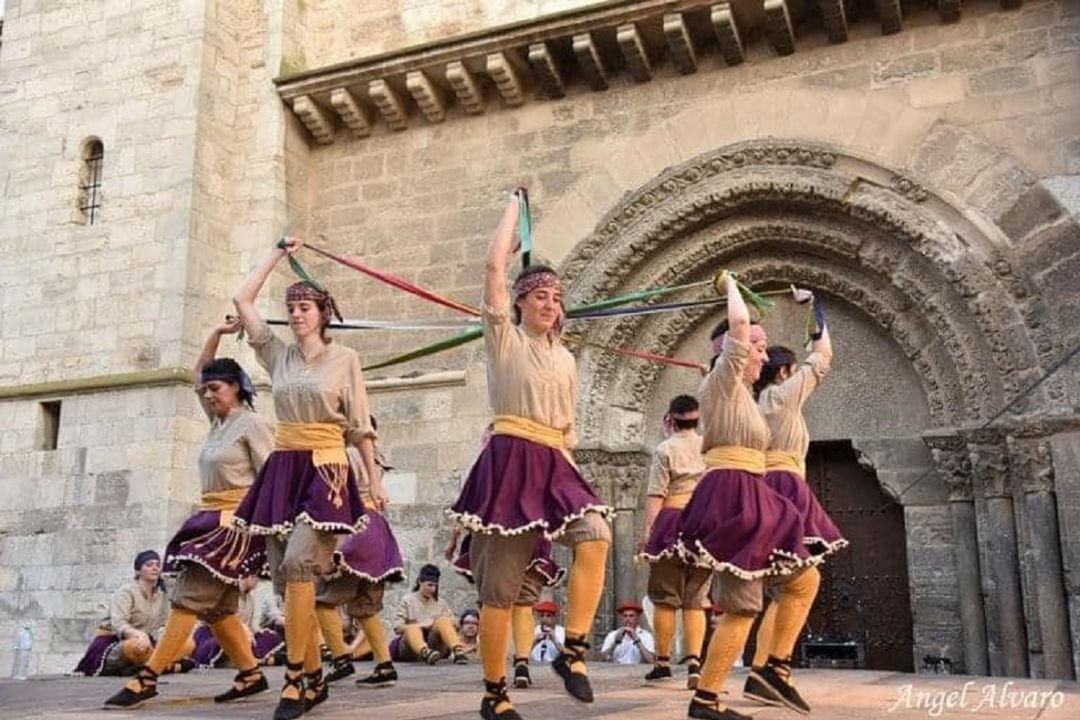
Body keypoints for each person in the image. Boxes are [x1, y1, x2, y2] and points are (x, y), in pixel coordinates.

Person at [448, 191, 613, 720]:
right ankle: (494, 693)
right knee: (499, 589)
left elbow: (566, 426)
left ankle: (575, 652)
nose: (550, 304)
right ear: (519, 303)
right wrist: (511, 213)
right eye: (540, 295)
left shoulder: (566, 357)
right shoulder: (504, 339)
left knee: (597, 533)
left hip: (554, 459)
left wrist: (572, 471)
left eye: (557, 298)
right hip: (510, 458)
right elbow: (493, 267)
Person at [232, 238, 387, 720]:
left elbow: (359, 423)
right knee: (287, 580)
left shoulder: (345, 359)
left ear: (322, 313)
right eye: (291, 307)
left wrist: (374, 478)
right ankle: (315, 675)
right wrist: (277, 254)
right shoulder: (277, 356)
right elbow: (243, 301)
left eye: (304, 307)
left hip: (327, 467)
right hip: (284, 466)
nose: (296, 314)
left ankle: (298, 676)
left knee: (300, 563)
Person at [104, 322, 276, 708]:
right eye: (207, 390)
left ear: (236, 387)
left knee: (187, 597)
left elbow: (271, 479)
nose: (208, 393)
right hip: (209, 516)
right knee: (217, 609)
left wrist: (266, 532)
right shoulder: (219, 422)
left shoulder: (253, 424)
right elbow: (201, 371)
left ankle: (148, 678)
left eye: (216, 388)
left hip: (233, 523)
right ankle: (250, 674)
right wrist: (215, 331)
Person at [676, 273, 812, 720]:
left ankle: (772, 669)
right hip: (732, 493)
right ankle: (707, 698)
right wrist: (731, 283)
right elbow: (736, 326)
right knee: (742, 603)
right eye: (757, 347)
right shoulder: (722, 383)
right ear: (731, 353)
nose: (763, 354)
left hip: (752, 493)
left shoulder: (747, 399)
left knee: (802, 580)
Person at [743, 295, 845, 713]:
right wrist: (816, 307)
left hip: (757, 486)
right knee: (805, 582)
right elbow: (822, 355)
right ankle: (772, 669)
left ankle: (765, 671)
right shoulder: (783, 396)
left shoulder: (748, 402)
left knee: (788, 587)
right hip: (784, 485)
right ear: (783, 372)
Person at [314, 436, 404, 687]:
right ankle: (385, 665)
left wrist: (337, 546)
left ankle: (341, 659)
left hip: (357, 526)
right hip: (377, 530)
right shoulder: (375, 458)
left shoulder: (348, 454)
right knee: (365, 605)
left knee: (323, 601)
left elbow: (339, 495)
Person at [637, 394, 710, 688]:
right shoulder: (708, 446)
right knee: (696, 599)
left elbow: (657, 494)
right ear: (697, 419)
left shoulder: (665, 448)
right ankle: (694, 664)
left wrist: (648, 535)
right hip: (703, 524)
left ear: (670, 419)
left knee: (665, 597)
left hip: (671, 520)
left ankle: (663, 663)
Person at [74, 551, 173, 677]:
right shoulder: (126, 592)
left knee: (186, 645)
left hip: (146, 641)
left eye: (157, 565)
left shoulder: (161, 594)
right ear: (138, 571)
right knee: (136, 647)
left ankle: (141, 666)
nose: (155, 568)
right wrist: (140, 635)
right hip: (115, 642)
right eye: (149, 565)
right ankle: (154, 664)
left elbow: (164, 623)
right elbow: (119, 624)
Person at [389, 564, 467, 664]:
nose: (433, 589)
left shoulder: (441, 603)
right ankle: (425, 652)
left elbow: (455, 625)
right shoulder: (407, 600)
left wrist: (437, 622)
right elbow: (397, 628)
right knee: (412, 628)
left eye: (435, 586)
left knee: (443, 620)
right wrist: (422, 625)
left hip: (436, 646)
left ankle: (458, 651)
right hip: (411, 649)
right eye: (429, 585)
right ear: (419, 582)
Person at [529, 600, 565, 665]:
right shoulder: (534, 631)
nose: (544, 619)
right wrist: (535, 642)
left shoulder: (562, 632)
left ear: (554, 618)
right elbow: (524, 654)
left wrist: (554, 640)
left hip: (554, 665)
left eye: (548, 616)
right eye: (542, 616)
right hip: (535, 666)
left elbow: (567, 655)